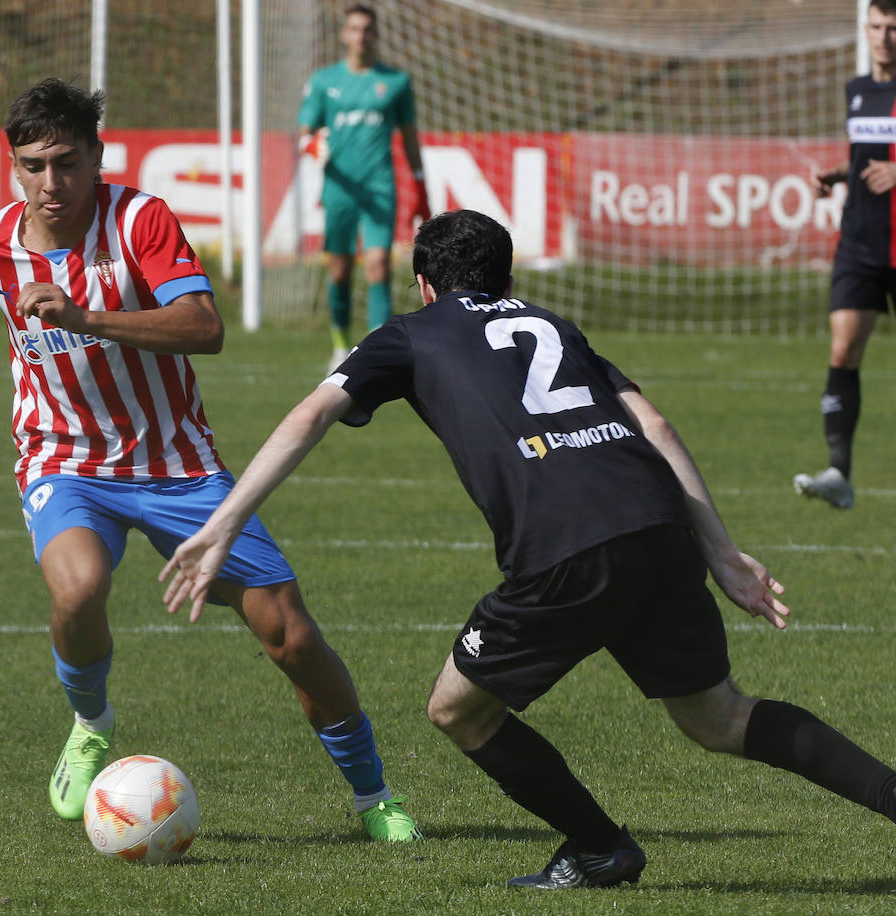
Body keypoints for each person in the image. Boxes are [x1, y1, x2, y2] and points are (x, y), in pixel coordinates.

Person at [163, 209, 896, 888]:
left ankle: (599, 847)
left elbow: (310, 416)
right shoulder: (556, 325)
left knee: (458, 710)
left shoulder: (409, 333)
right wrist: (723, 552)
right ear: (509, 283)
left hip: (563, 550)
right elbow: (659, 428)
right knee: (720, 717)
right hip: (659, 524)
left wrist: (222, 524)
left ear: (424, 285)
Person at [0, 78, 419, 841]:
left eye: (66, 163)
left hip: (177, 466)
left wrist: (88, 316)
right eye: (32, 166)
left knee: (289, 635)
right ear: (14, 167)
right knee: (78, 588)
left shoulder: (139, 221)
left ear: (97, 157)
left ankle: (374, 798)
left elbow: (204, 326)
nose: (50, 183)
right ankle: (92, 721)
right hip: (63, 461)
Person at [794, 0, 896, 509]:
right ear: (866, 29)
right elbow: (865, 154)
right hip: (860, 241)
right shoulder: (858, 92)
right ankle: (839, 471)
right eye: (877, 27)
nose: (885, 37)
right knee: (842, 350)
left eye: (893, 28)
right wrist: (839, 173)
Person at [299, 3, 430, 371]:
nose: (361, 36)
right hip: (339, 189)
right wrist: (311, 145)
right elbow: (304, 134)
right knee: (339, 270)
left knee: (378, 265)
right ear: (344, 34)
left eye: (367, 30)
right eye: (355, 29)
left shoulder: (396, 82)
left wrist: (420, 185)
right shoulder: (325, 82)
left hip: (379, 187)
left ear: (376, 34)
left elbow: (409, 138)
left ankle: (377, 353)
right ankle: (340, 347)